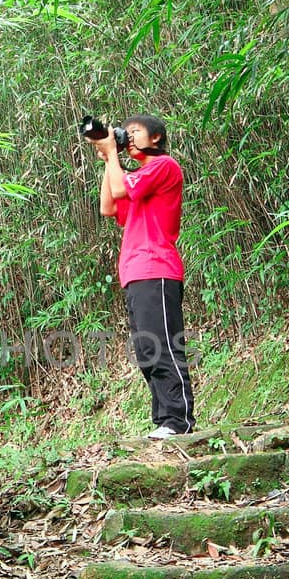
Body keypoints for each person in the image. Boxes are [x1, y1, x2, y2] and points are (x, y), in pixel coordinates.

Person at [91, 114, 195, 438]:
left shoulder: (163, 167)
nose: (129, 136)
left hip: (157, 268)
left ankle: (179, 421)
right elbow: (108, 206)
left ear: (156, 138)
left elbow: (120, 188)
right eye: (126, 132)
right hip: (135, 272)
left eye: (135, 132)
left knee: (163, 346)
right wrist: (110, 157)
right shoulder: (138, 179)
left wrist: (113, 157)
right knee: (147, 352)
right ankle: (165, 420)